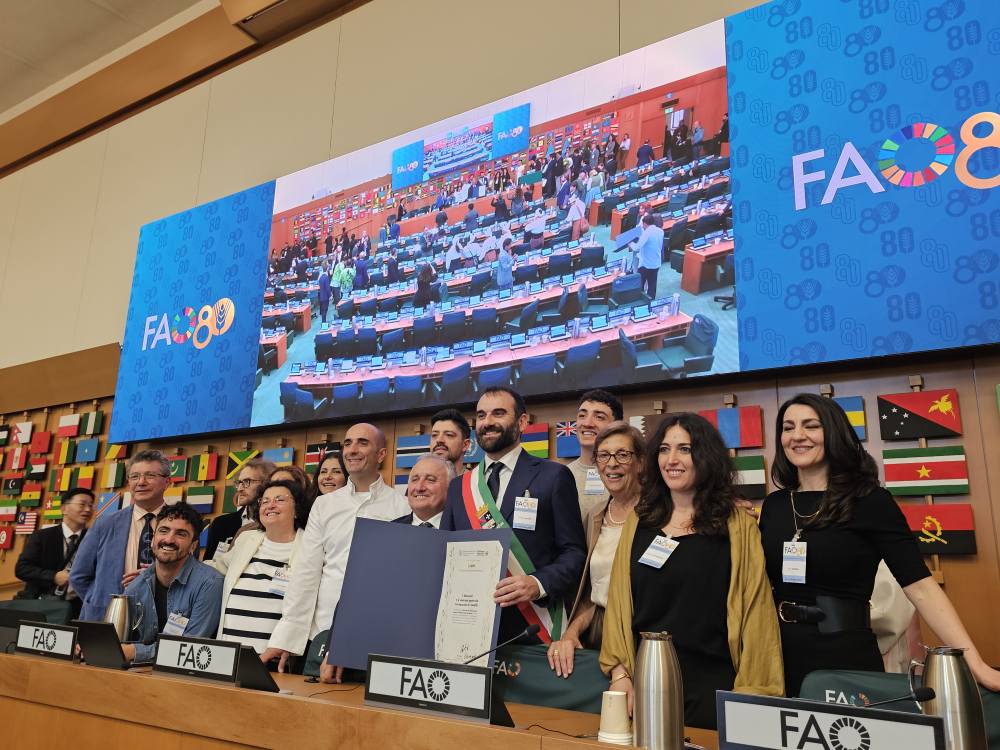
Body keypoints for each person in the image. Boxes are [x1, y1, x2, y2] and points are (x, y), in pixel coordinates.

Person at [759, 393, 1000, 696]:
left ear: (833, 432)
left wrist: (975, 664)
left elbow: (920, 587)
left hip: (844, 656)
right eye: (788, 427)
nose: (797, 436)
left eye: (811, 426)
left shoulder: (870, 501)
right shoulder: (774, 505)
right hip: (776, 657)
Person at [600, 413, 783, 729]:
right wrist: (620, 674)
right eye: (664, 449)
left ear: (706, 456)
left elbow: (757, 615)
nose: (671, 460)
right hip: (646, 685)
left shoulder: (738, 527)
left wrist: (751, 697)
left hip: (716, 689)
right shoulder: (639, 522)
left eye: (684, 449)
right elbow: (618, 606)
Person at [440, 387, 587, 645]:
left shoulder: (553, 476)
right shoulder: (459, 487)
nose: (487, 422)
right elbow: (445, 555)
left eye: (498, 413)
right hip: (469, 628)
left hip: (532, 627)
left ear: (522, 422)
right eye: (481, 415)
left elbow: (574, 553)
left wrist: (537, 583)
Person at [261, 423, 408, 680]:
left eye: (363, 443)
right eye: (348, 443)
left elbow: (397, 586)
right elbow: (306, 573)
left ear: (382, 455)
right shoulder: (324, 505)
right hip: (322, 632)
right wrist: (285, 637)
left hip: (377, 637)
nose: (352, 449)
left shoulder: (403, 506)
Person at [548, 422, 643, 678]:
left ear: (640, 463)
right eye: (603, 455)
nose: (612, 464)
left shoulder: (658, 515)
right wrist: (571, 632)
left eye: (622, 455)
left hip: (640, 636)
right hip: (598, 635)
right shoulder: (595, 516)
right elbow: (594, 594)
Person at [71, 450, 172, 620]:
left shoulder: (181, 523)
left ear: (167, 482)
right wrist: (97, 600)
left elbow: (188, 575)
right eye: (134, 476)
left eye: (150, 475)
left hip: (160, 617)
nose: (141, 482)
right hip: (107, 617)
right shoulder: (105, 523)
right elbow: (78, 575)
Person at [115, 503, 222, 664]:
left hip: (187, 675)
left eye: (181, 534)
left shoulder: (209, 583)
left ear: (193, 546)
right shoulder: (137, 585)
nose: (169, 539)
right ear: (153, 539)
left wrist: (134, 652)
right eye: (163, 531)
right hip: (141, 672)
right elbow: (119, 639)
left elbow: (190, 648)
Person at [211, 480, 309, 655]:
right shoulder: (245, 540)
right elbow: (216, 568)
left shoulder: (309, 547)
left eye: (280, 500)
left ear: (297, 510)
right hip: (228, 654)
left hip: (274, 658)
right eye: (265, 501)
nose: (270, 505)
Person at [15, 487, 93, 618]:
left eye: (91, 505)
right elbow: (22, 569)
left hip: (77, 610)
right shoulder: (42, 536)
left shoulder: (94, 539)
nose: (87, 509)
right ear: (64, 509)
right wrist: (54, 577)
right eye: (82, 504)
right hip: (40, 608)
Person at [203, 459, 276, 561]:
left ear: (267, 484)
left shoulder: (278, 524)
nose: (240, 489)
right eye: (239, 483)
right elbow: (208, 564)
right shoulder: (221, 523)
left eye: (247, 482)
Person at [566, 390, 621, 523]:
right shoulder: (562, 474)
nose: (587, 423)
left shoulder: (626, 475)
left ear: (616, 426)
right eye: (582, 415)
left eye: (599, 417)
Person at [393, 454, 453, 528]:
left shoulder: (463, 528)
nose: (419, 488)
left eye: (430, 480)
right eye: (415, 480)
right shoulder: (389, 530)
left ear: (450, 487)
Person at [429, 408, 472, 478]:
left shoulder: (476, 483)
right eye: (434, 435)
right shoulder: (419, 483)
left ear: (465, 445)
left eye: (449, 435)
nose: (439, 440)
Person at [630, 213, 665, 298]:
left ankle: (640, 301)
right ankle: (651, 301)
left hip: (645, 265)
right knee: (652, 285)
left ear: (645, 224)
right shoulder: (660, 231)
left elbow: (636, 248)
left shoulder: (646, 233)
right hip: (656, 263)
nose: (642, 226)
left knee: (640, 285)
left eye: (642, 224)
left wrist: (629, 243)